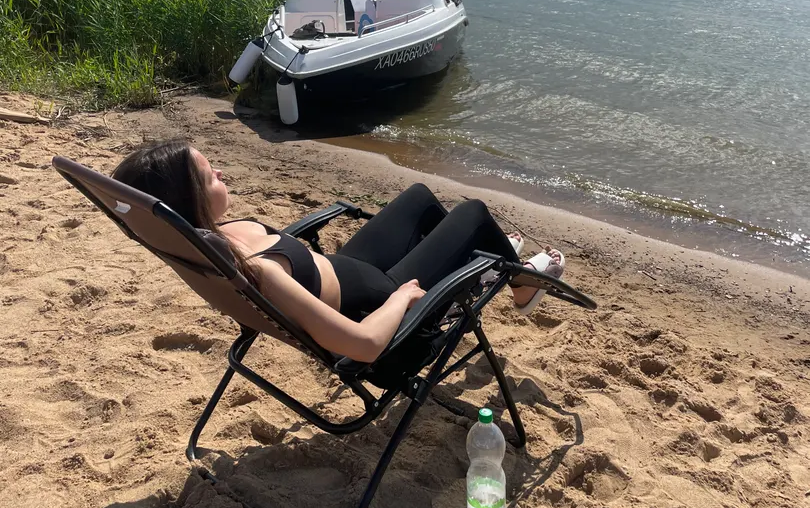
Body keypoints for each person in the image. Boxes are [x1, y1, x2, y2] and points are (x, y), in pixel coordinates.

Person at [113, 140, 564, 364]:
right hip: (380, 303)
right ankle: (521, 284)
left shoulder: (203, 244)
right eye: (211, 175)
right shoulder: (257, 272)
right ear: (191, 199)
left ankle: (484, 254)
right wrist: (400, 299)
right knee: (473, 213)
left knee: (421, 199)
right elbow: (363, 345)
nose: (221, 174)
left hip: (351, 269)